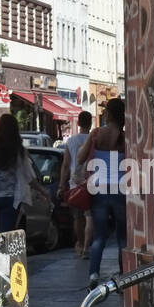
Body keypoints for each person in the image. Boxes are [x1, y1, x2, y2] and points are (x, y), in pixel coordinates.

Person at [81, 97, 126, 288]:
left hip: (99, 189)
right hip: (121, 190)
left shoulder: (97, 134)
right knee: (123, 238)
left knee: (99, 236)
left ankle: (93, 274)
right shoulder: (126, 137)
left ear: (107, 113)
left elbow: (80, 158)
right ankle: (124, 275)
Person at [0, 112, 41, 234]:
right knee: (5, 235)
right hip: (10, 199)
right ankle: (3, 253)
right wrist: (43, 191)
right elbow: (28, 176)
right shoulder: (18, 150)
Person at [59, 110, 94, 258]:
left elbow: (66, 165)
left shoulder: (71, 141)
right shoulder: (94, 140)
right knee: (90, 217)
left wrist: (61, 185)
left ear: (78, 123)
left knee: (77, 218)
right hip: (92, 183)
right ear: (90, 123)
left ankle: (80, 244)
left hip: (75, 185)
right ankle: (87, 246)